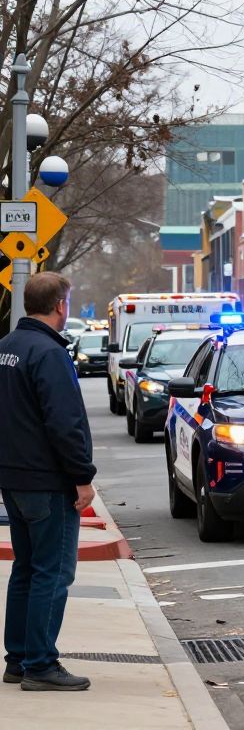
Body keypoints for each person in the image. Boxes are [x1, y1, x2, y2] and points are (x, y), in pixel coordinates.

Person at [0, 272, 95, 691]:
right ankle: (41, 664)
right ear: (61, 305)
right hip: (46, 481)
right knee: (52, 573)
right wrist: (82, 478)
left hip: (13, 479)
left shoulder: (6, 348)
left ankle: (18, 659)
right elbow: (65, 424)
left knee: (26, 569)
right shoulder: (49, 354)